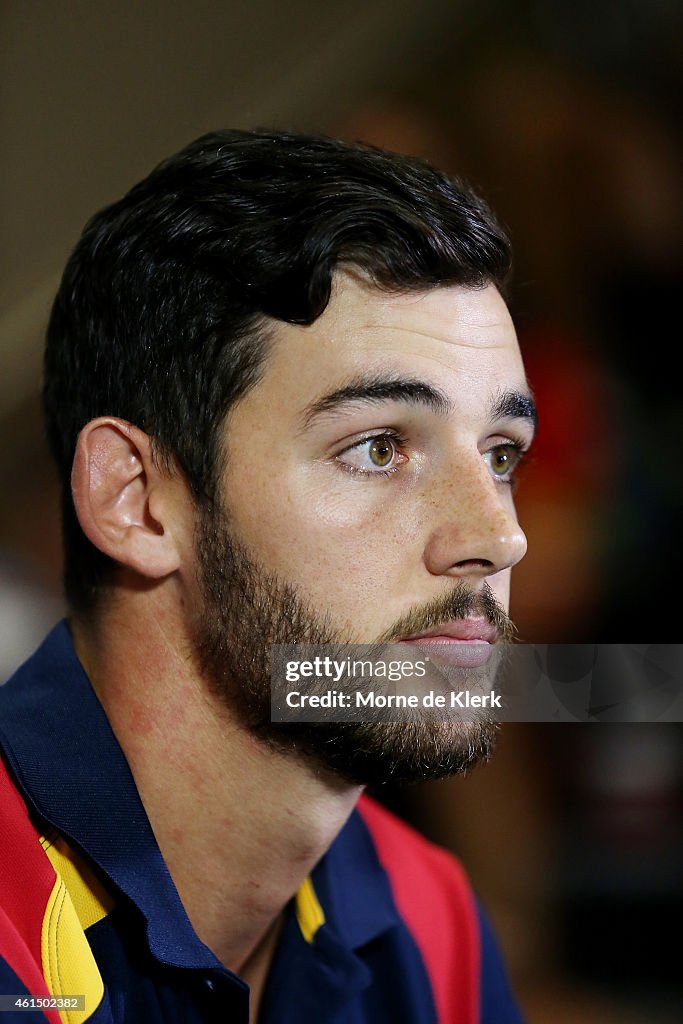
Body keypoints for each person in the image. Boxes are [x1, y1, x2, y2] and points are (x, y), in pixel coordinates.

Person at [0, 129, 536, 1023]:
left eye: (501, 454)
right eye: (378, 448)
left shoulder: (427, 913)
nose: (499, 536)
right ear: (135, 500)